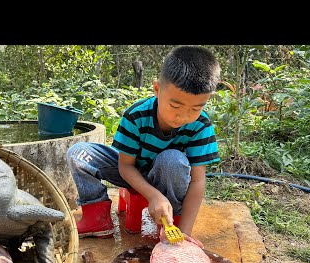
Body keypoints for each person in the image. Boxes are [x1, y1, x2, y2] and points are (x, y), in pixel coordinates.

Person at [66, 45, 221, 243]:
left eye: (195, 108)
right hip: (132, 171)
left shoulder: (201, 125)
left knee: (172, 159)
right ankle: (97, 218)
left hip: (168, 177)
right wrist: (152, 195)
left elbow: (198, 181)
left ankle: (169, 221)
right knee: (78, 153)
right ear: (157, 89)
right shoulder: (136, 115)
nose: (183, 116)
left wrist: (186, 232)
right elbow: (125, 165)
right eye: (175, 105)